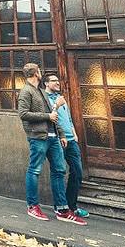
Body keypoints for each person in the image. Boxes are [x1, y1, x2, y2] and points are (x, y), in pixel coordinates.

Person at [17, 63, 87, 225]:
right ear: (36, 73)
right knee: (34, 170)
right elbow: (23, 114)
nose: (41, 72)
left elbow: (54, 116)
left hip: (54, 137)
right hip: (38, 137)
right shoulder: (26, 91)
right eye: (39, 71)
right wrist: (47, 117)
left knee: (59, 171)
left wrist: (61, 134)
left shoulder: (41, 92)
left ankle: (62, 209)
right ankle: (32, 206)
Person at [42, 73, 89, 219]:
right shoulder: (44, 99)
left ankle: (71, 206)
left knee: (77, 172)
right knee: (58, 172)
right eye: (53, 81)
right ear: (46, 83)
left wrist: (74, 134)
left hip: (71, 140)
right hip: (57, 139)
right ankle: (60, 206)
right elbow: (48, 117)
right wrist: (57, 105)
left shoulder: (61, 98)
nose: (57, 83)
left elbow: (68, 118)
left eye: (58, 80)